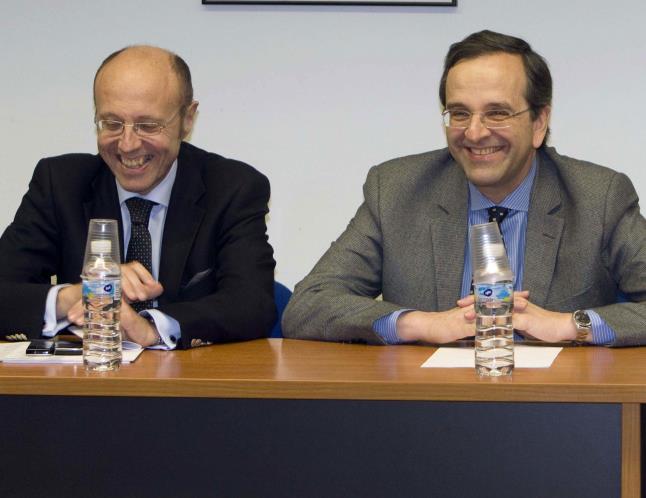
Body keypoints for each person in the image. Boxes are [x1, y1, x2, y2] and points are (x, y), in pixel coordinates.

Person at [282, 30, 646, 347]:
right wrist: (419, 324)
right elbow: (308, 305)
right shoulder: (395, 191)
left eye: (497, 113)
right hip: (430, 399)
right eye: (459, 113)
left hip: (555, 400)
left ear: (539, 122)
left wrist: (569, 326)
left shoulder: (598, 197)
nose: (474, 132)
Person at [0, 45, 276, 349]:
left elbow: (253, 304)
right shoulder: (61, 184)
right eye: (112, 123)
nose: (128, 145)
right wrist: (81, 294)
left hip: (192, 376)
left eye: (148, 125)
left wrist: (151, 328)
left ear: (187, 119)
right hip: (91, 373)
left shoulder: (232, 188)